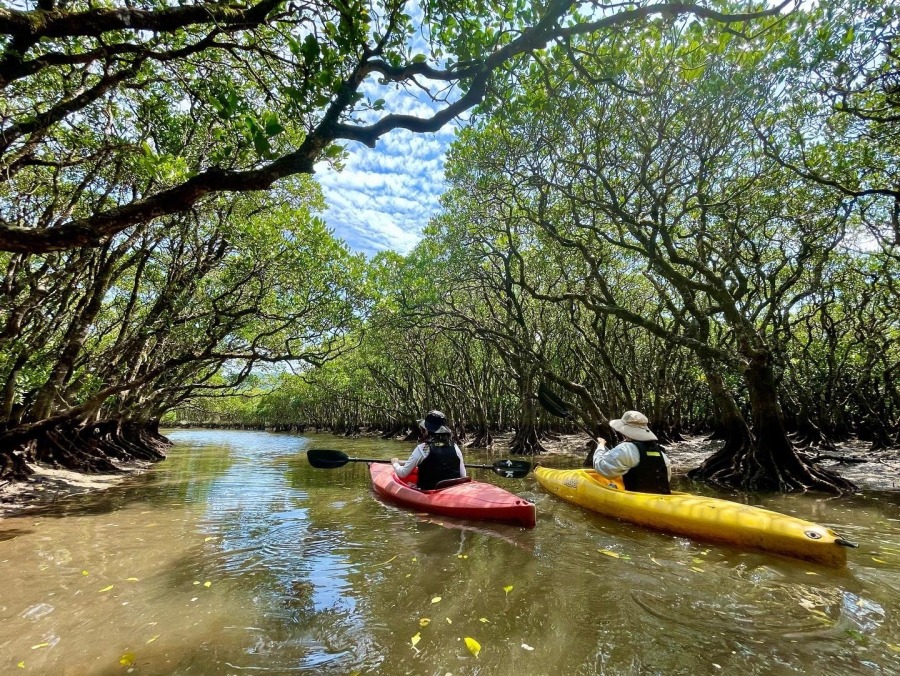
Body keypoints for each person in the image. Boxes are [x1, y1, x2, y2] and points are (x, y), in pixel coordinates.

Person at [592, 410, 671, 494]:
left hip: (637, 500)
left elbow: (601, 467)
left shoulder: (626, 449)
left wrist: (600, 446)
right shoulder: (661, 453)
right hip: (660, 497)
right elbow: (667, 479)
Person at [391, 410, 466, 490]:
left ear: (428, 430)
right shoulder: (455, 447)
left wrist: (395, 463)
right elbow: (463, 476)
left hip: (430, 493)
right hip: (451, 491)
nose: (422, 430)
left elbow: (402, 473)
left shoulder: (422, 449)